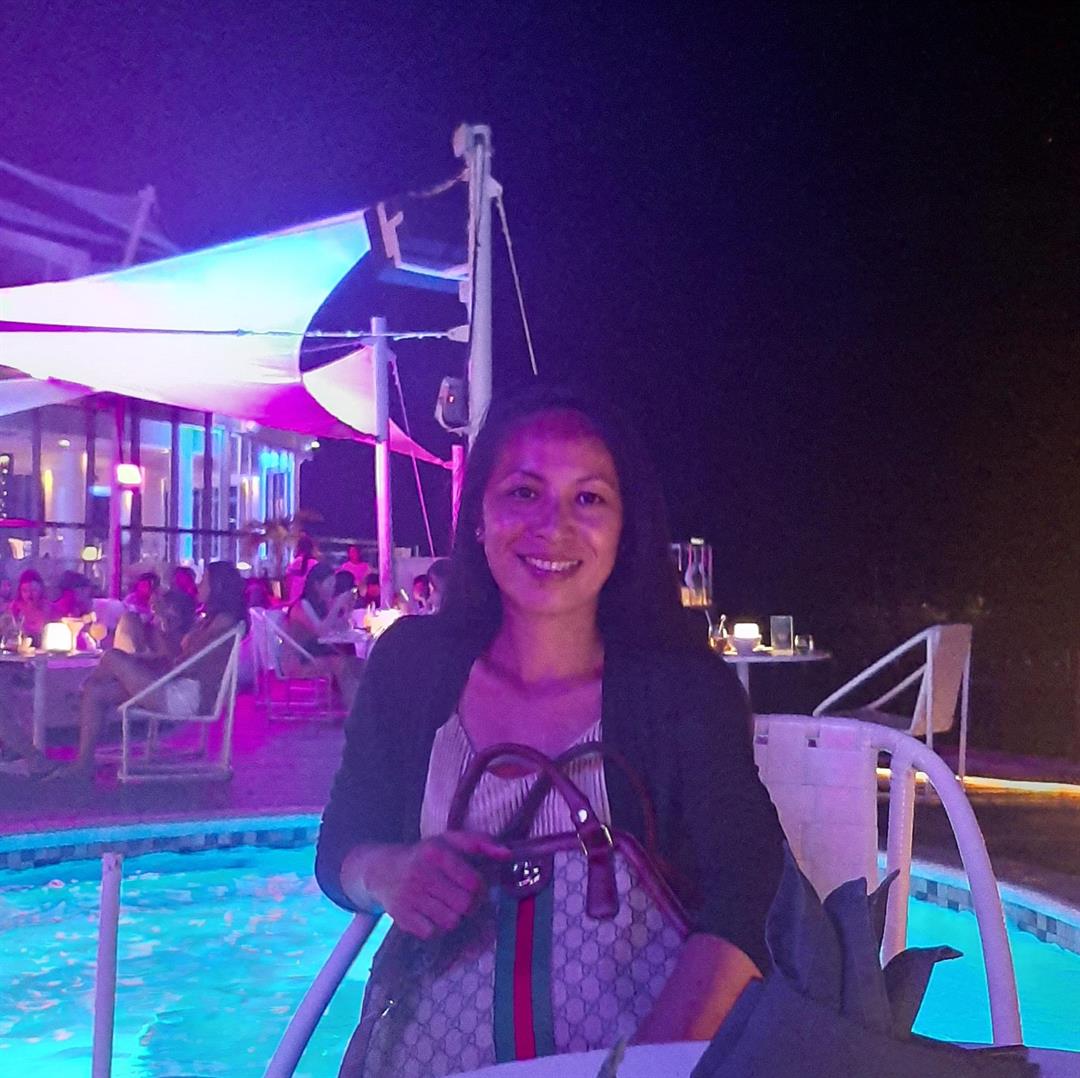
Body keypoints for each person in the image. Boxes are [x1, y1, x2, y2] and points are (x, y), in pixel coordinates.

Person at [317, 386, 785, 1069]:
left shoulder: (681, 692)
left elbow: (750, 893)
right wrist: (386, 871)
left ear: (624, 530)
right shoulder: (411, 668)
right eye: (524, 493)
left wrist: (639, 1066)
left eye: (588, 499)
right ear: (479, 517)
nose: (554, 525)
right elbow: (340, 843)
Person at [54, 561, 246, 780]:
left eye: (205, 580)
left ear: (217, 587)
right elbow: (180, 657)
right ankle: (84, 763)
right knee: (96, 691)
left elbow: (189, 662)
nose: (199, 585)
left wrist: (157, 652)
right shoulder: (209, 621)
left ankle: (82, 698)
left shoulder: (223, 622)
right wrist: (163, 630)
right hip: (178, 684)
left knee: (112, 657)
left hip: (187, 694)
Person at [283, 563, 362, 707]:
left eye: (334, 584)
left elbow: (342, 627)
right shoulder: (303, 605)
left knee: (356, 661)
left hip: (315, 653)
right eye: (330, 584)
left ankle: (354, 703)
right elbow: (321, 631)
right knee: (343, 663)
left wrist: (347, 609)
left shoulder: (322, 604)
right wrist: (337, 605)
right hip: (300, 660)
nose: (333, 588)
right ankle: (353, 707)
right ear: (317, 585)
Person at [9, 569, 50, 646]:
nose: (29, 594)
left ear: (41, 589)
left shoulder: (48, 608)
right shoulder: (15, 607)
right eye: (25, 591)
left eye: (33, 590)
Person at [284, 536, 319, 604]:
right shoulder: (315, 563)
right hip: (309, 596)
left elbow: (288, 576)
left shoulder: (297, 561)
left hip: (296, 596)